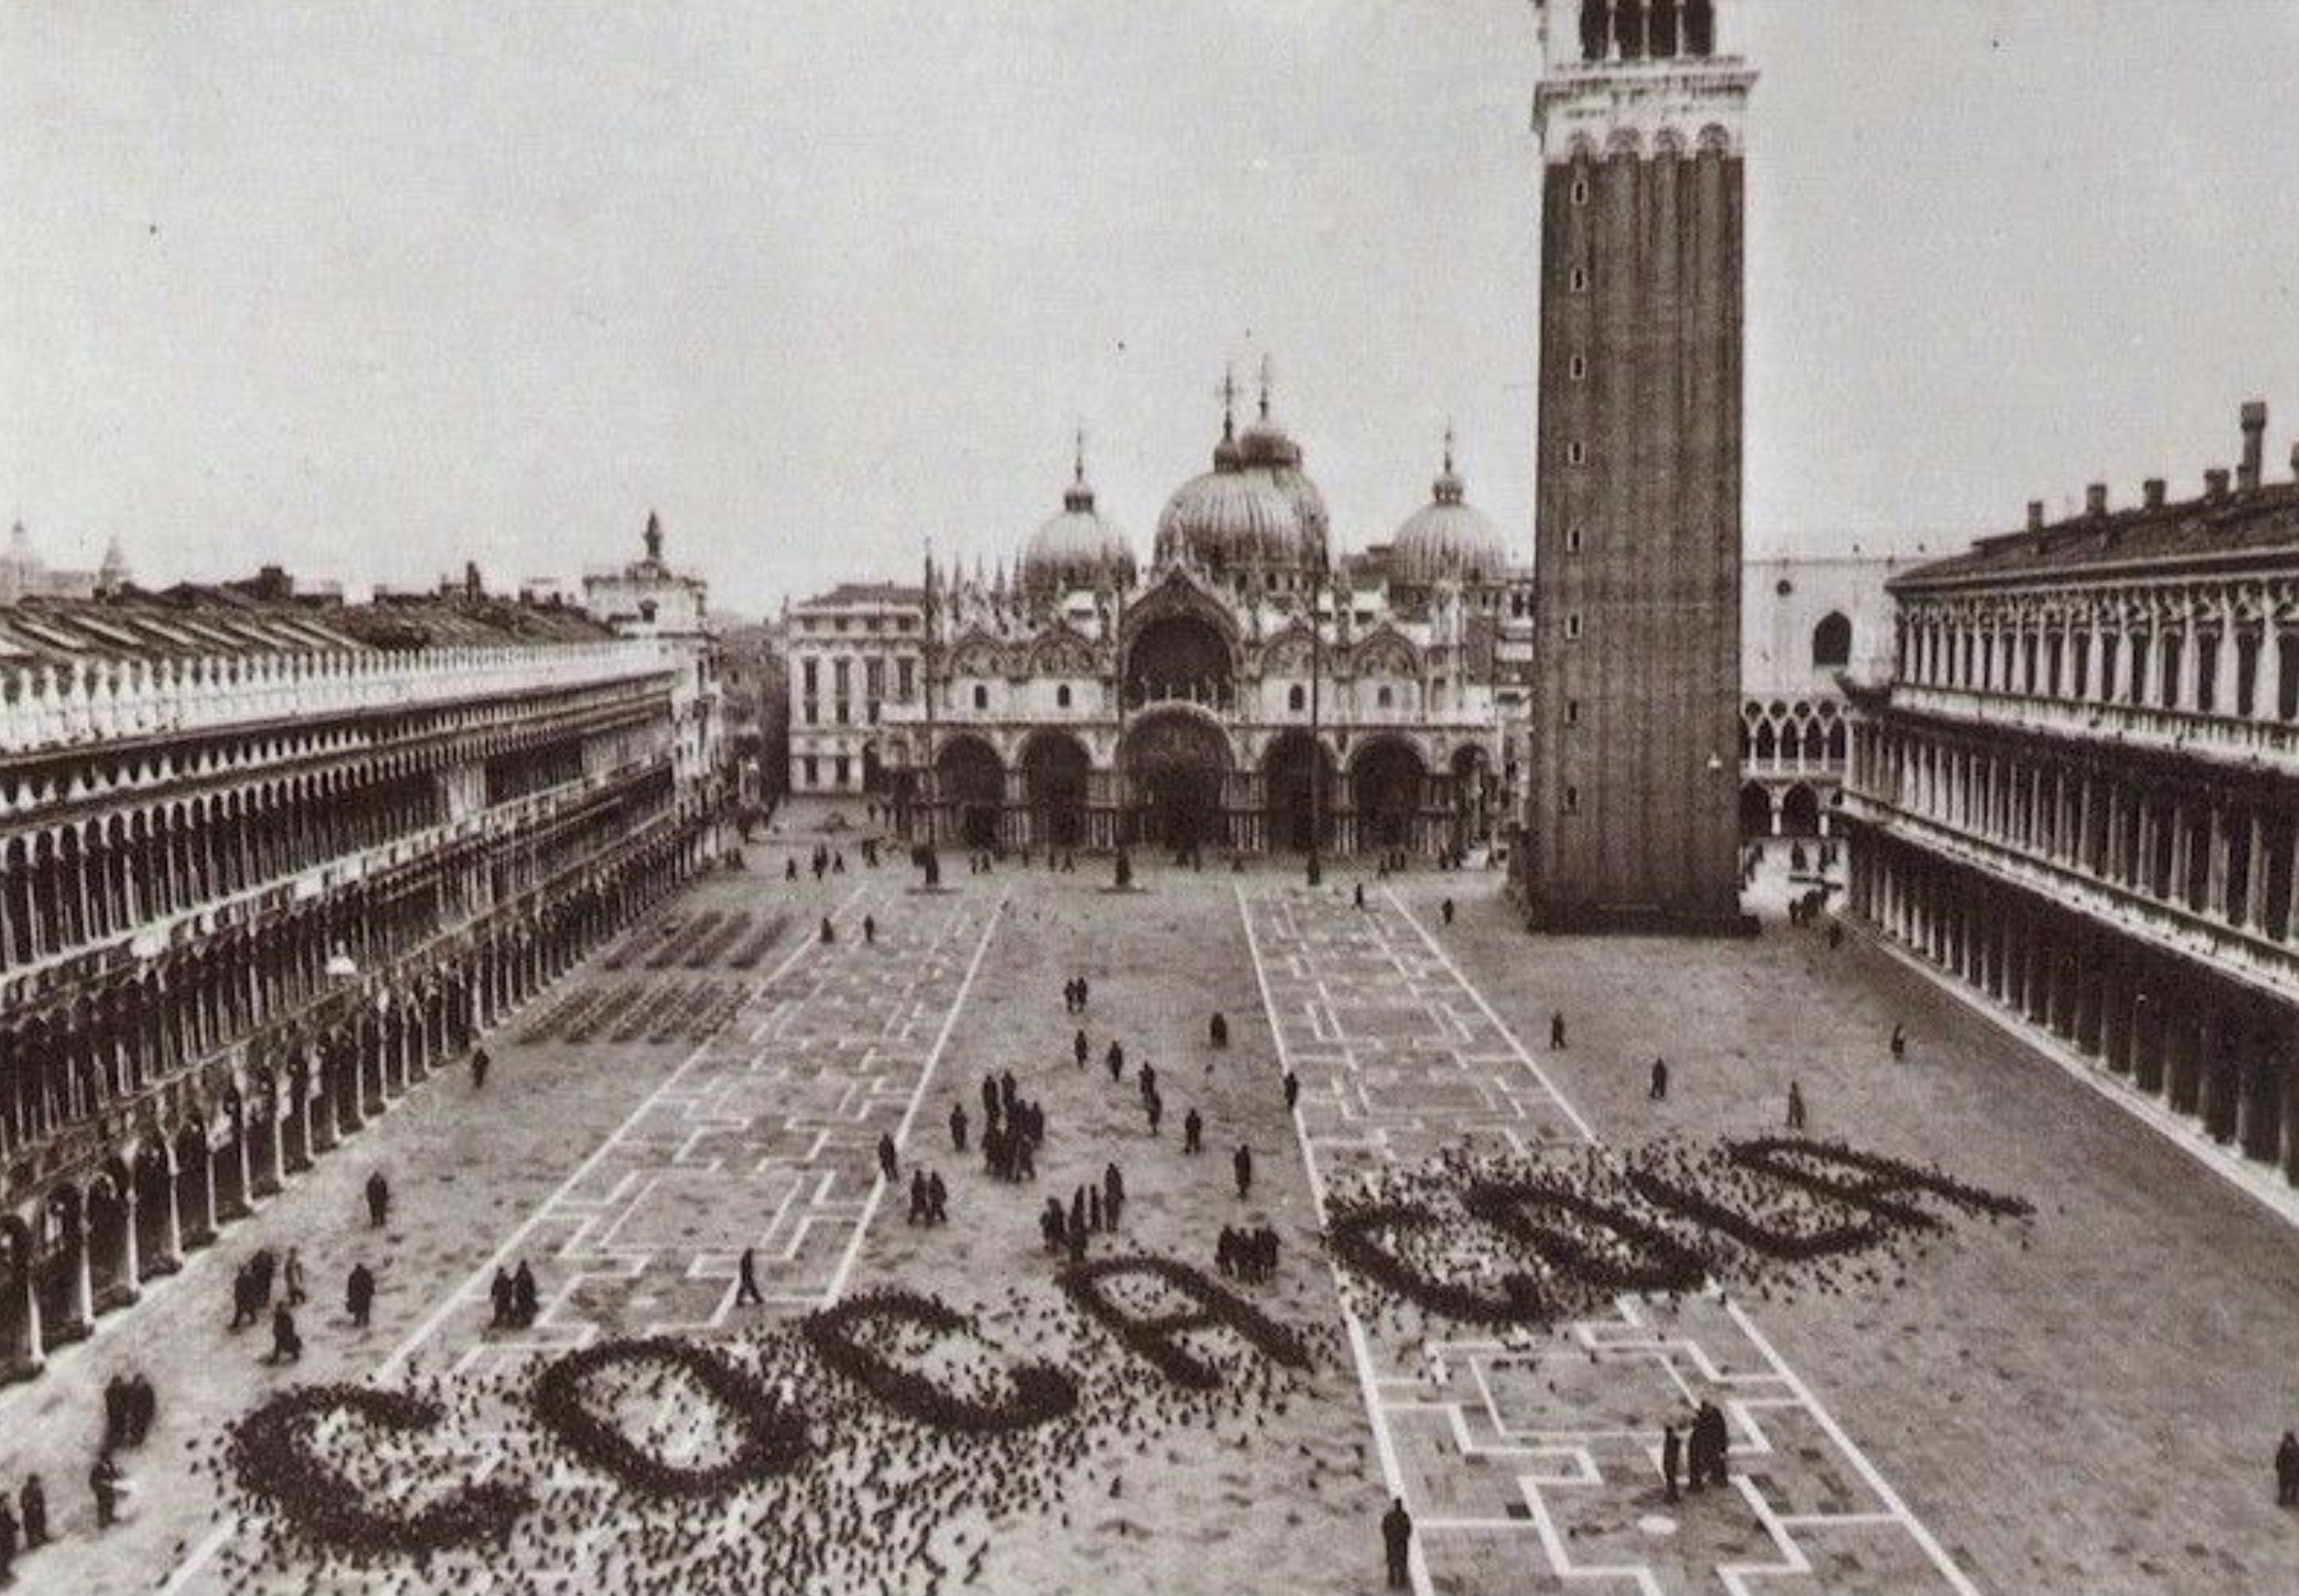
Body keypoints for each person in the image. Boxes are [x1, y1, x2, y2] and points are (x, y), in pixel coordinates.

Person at [1380, 1496, 1413, 1590]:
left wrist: (1388, 1538)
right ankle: (1400, 1582)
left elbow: (1384, 1527)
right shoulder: (1404, 1515)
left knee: (1393, 1563)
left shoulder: (1389, 1516)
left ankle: (1393, 1582)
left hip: (1392, 1542)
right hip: (1400, 1543)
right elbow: (1409, 1529)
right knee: (1401, 1563)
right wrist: (1404, 1538)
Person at [89, 1452, 122, 1530]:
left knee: (111, 1500)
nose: (107, 1459)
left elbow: (114, 1474)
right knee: (101, 1504)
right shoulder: (97, 1468)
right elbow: (93, 1480)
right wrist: (98, 1488)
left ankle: (110, 1517)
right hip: (98, 1487)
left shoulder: (110, 1465)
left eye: (108, 1458)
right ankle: (101, 1524)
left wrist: (117, 1478)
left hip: (107, 1486)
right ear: (101, 1460)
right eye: (105, 1458)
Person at [347, 1261, 377, 1328]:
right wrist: (371, 1292)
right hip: (365, 1295)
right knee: (365, 1310)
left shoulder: (353, 1275)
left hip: (357, 1296)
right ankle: (365, 1322)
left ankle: (358, 1323)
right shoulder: (367, 1274)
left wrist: (349, 1295)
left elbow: (350, 1286)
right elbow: (371, 1283)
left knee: (358, 1311)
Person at [18, 1476, 43, 1550]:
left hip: (38, 1514)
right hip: (29, 1515)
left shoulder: (39, 1490)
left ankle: (40, 1539)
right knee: (30, 1529)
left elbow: (41, 1500)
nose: (37, 1484)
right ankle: (31, 1543)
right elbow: (22, 1503)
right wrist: (28, 1504)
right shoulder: (25, 1490)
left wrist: (39, 1505)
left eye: (37, 1482)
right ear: (31, 1482)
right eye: (35, 1482)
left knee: (39, 1526)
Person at [2277, 1430, 2299, 1506]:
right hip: (2285, 1471)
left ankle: (2293, 1500)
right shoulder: (2283, 1447)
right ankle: (2283, 1499)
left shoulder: (2296, 1448)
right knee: (2283, 1486)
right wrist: (2277, 1465)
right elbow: (2279, 1457)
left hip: (2293, 1471)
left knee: (2294, 1486)